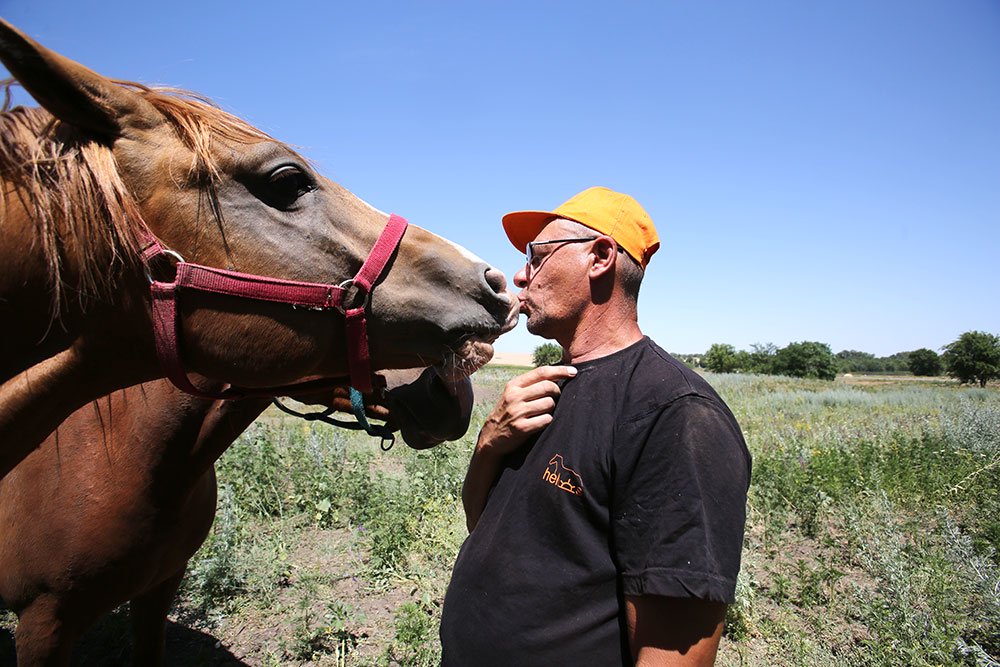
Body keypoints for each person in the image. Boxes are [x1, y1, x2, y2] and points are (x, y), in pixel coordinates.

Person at [439, 186, 752, 666]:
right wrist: (488, 445)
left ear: (600, 257)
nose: (521, 275)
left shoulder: (676, 414)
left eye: (537, 257)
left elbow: (675, 654)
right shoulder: (545, 387)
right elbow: (483, 526)